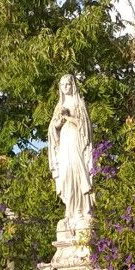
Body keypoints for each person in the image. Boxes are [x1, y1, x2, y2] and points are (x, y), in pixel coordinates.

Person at [47, 74, 93, 232]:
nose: (65, 87)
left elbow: (84, 126)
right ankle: (69, 211)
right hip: (64, 141)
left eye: (67, 84)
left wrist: (68, 118)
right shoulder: (59, 105)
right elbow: (53, 129)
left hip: (75, 140)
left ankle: (80, 211)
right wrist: (58, 122)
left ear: (73, 85)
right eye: (62, 85)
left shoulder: (79, 102)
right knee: (65, 174)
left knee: (77, 172)